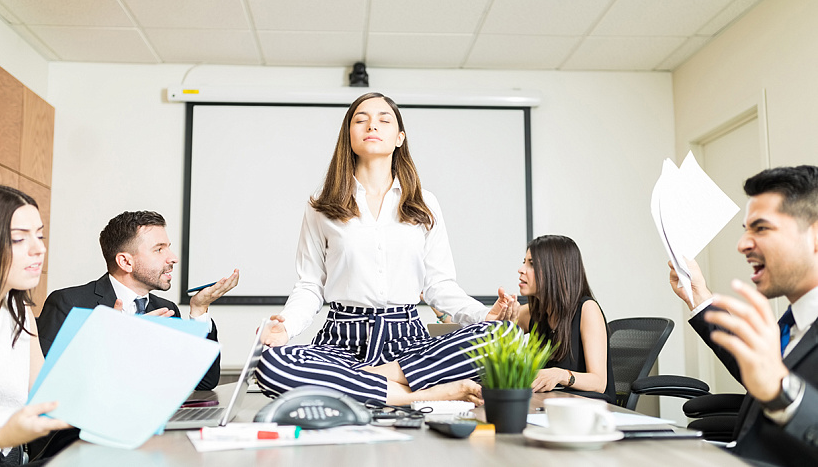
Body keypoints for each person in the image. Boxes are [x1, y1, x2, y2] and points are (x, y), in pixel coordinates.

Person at [256, 92, 517, 406]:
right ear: (348, 135)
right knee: (271, 365)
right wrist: (285, 328)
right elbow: (311, 284)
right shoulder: (322, 203)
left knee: (506, 336)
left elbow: (438, 284)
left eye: (384, 119)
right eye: (361, 120)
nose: (372, 126)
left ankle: (363, 384)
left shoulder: (424, 202)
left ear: (399, 137)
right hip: (342, 339)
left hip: (407, 340)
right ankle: (421, 395)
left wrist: (483, 316)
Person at [668, 165, 818, 466]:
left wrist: (783, 392)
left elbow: (776, 384)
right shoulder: (793, 324)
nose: (742, 244)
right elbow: (759, 373)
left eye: (760, 228)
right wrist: (698, 296)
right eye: (746, 230)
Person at [36, 211, 239, 391]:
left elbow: (204, 383)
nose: (173, 258)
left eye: (168, 247)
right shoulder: (68, 304)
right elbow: (45, 386)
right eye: (159, 249)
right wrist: (121, 342)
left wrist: (199, 310)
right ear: (125, 261)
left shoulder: (166, 309)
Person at [0, 185, 70, 465]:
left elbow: (44, 393)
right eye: (19, 239)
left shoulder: (19, 311)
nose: (39, 249)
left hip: (9, 455)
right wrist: (0, 435)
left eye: (40, 235)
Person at [511, 235, 615, 403]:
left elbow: (599, 383)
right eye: (524, 262)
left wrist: (561, 375)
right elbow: (492, 330)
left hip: (588, 413)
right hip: (551, 407)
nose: (521, 269)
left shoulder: (587, 309)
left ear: (556, 270)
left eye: (532, 264)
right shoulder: (533, 312)